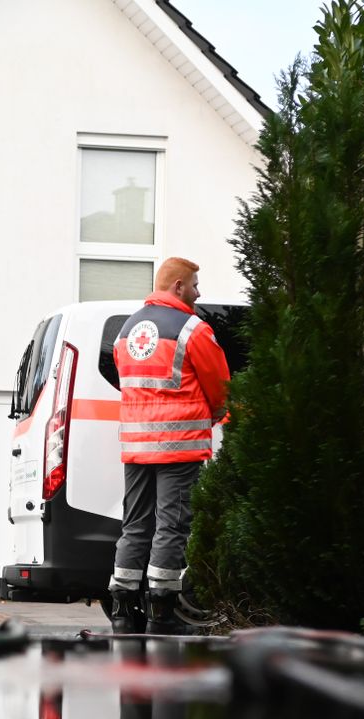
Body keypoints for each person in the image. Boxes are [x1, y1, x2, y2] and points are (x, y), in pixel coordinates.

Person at [105, 257, 231, 634]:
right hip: (178, 447)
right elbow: (220, 388)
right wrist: (212, 415)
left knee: (135, 525)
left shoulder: (127, 330)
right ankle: (161, 615)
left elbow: (128, 383)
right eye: (194, 285)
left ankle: (123, 613)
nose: (198, 292)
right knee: (172, 527)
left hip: (136, 446)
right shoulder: (192, 329)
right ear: (178, 286)